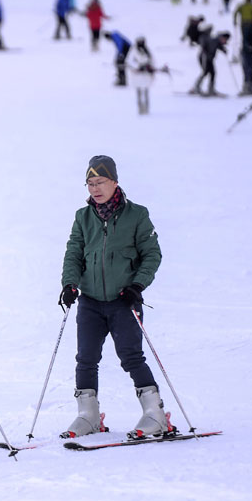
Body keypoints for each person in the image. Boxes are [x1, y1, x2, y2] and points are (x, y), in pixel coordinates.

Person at [59, 156, 166, 440]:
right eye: (90, 183)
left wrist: (137, 285)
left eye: (100, 182)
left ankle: (155, 413)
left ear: (114, 182)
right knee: (86, 359)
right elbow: (74, 253)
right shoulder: (83, 217)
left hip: (124, 300)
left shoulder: (137, 215)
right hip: (91, 301)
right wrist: (69, 283)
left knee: (131, 356)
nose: (95, 188)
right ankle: (88, 415)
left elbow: (152, 255)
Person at [190, 27, 230, 96]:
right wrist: (207, 54)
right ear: (222, 37)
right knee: (206, 72)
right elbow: (207, 48)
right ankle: (196, 87)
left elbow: (219, 46)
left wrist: (224, 50)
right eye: (225, 40)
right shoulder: (214, 40)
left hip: (209, 59)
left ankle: (210, 89)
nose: (225, 42)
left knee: (212, 73)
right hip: (204, 58)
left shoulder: (217, 40)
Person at [130, 37, 159, 115]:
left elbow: (152, 61)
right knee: (139, 92)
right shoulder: (133, 51)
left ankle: (146, 108)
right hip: (137, 76)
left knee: (146, 92)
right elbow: (130, 62)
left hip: (146, 75)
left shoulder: (147, 51)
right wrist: (138, 67)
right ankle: (140, 108)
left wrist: (150, 67)